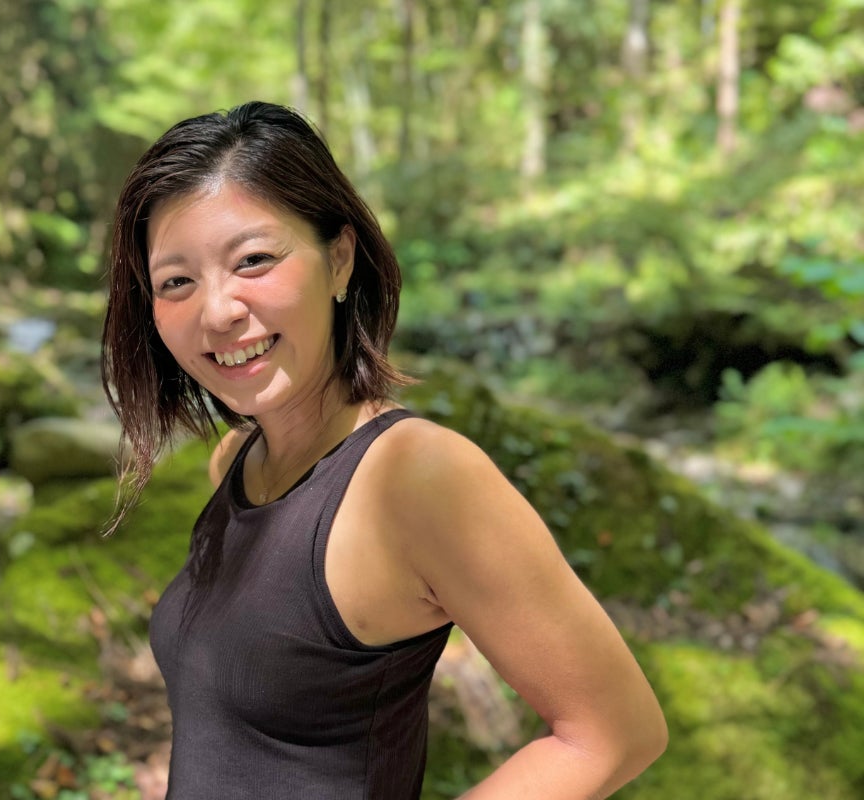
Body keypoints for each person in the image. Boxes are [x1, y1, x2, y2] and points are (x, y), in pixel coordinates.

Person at [101, 101, 667, 799]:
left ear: (339, 260)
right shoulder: (237, 464)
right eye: (176, 282)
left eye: (253, 260)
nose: (217, 311)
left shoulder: (418, 478)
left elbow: (613, 733)